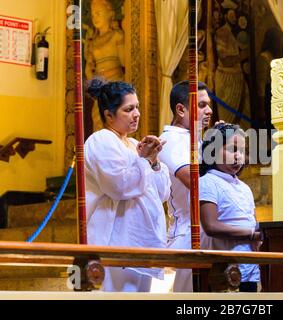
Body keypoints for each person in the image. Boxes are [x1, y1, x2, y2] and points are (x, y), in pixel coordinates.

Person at [84, 78, 170, 292]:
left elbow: (161, 194)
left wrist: (154, 161)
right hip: (116, 238)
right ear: (108, 114)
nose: (137, 114)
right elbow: (119, 187)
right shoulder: (101, 140)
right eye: (128, 109)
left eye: (137, 107)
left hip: (140, 240)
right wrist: (143, 160)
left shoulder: (133, 144)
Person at [158, 80, 213, 292]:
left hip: (207, 229)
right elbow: (195, 182)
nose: (209, 110)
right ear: (181, 109)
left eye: (208, 104)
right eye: (201, 105)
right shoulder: (171, 140)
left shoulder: (196, 140)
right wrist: (218, 149)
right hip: (189, 232)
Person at [199, 123, 261, 292]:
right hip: (223, 270)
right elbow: (211, 226)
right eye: (232, 149)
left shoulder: (244, 187)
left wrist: (258, 234)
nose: (238, 156)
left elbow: (254, 222)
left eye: (241, 151)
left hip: (249, 268)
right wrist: (251, 234)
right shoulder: (208, 182)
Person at [85, 0, 125, 133]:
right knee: (98, 119)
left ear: (110, 14)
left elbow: (124, 62)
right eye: (93, 14)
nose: (95, 17)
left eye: (98, 13)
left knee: (113, 117)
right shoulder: (93, 42)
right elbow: (89, 70)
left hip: (115, 82)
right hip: (100, 86)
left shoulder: (117, 36)